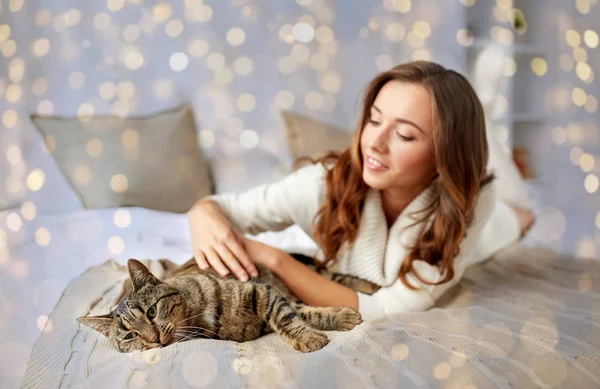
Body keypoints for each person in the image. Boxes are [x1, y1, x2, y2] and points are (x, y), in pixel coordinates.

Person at [186, 61, 536, 322]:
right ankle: (482, 111)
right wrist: (201, 213)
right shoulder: (316, 186)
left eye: (404, 135)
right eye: (374, 120)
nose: (375, 144)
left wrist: (276, 259)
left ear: (443, 157)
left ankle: (486, 114)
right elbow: (216, 209)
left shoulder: (471, 202)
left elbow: (386, 307)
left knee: (520, 217)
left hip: (492, 226)